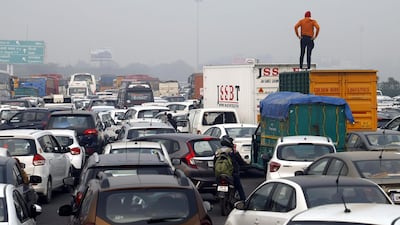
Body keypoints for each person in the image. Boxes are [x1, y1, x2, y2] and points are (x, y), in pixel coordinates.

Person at [215, 135, 246, 201]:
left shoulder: (218, 152)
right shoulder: (232, 152)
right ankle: (244, 201)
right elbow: (240, 161)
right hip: (232, 174)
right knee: (239, 186)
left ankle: (217, 195)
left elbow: (214, 163)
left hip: (219, 174)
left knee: (217, 184)